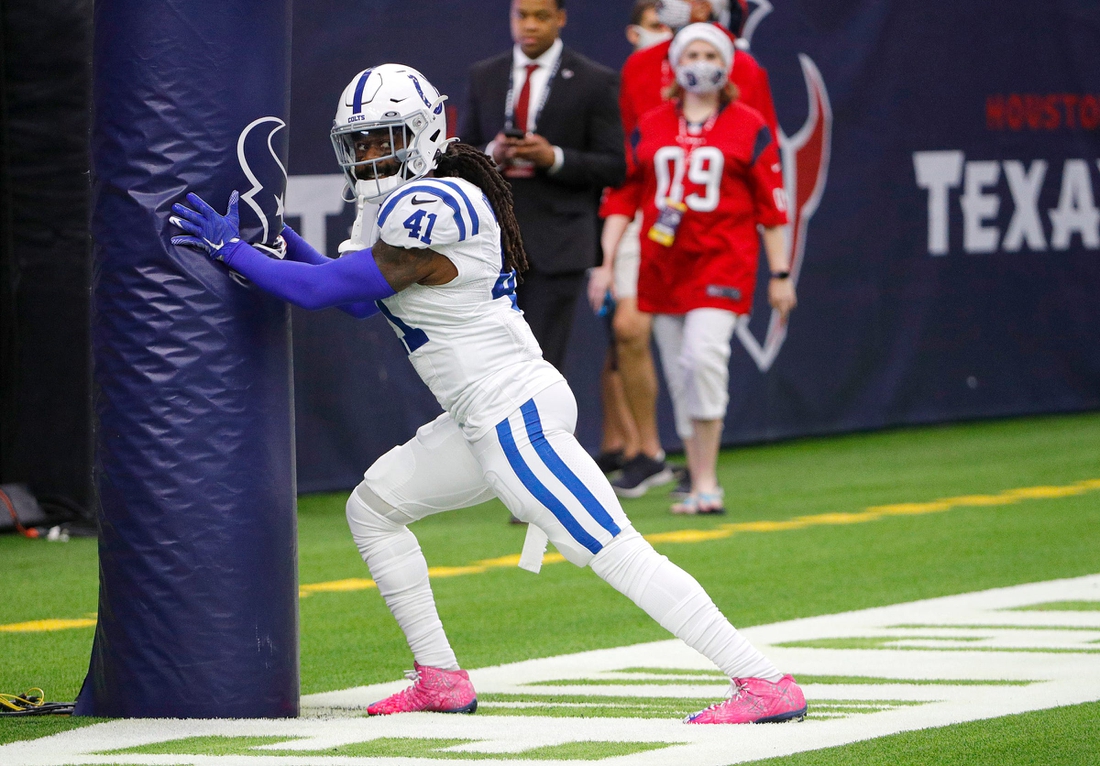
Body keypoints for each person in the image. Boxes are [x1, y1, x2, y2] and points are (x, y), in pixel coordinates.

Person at [170, 63, 805, 725]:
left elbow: (329, 291)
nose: (369, 154)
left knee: (615, 548)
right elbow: (355, 297)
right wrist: (280, 241)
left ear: (423, 132)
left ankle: (761, 680)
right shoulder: (389, 204)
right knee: (373, 508)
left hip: (513, 414)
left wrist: (234, 251)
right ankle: (439, 677)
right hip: (480, 417)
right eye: (358, 142)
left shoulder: (440, 202)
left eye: (383, 137)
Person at [599, 25, 796, 515]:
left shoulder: (748, 125)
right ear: (675, 62)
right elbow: (626, 194)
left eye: (711, 53)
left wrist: (781, 273)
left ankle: (707, 480)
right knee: (679, 370)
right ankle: (697, 475)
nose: (701, 61)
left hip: (723, 261)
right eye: (693, 52)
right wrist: (605, 262)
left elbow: (772, 208)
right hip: (662, 264)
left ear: (727, 64)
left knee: (702, 357)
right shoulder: (653, 122)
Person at [459, 0, 625, 372]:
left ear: (561, 19)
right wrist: (492, 153)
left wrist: (554, 158)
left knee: (542, 365)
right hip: (493, 246)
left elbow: (614, 166)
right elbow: (459, 154)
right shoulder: (484, 75)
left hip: (559, 244)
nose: (529, 25)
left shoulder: (595, 81)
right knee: (491, 365)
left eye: (541, 16)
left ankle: (544, 432)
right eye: (522, 15)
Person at [592, 0, 673, 478]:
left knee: (678, 344)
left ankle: (654, 451)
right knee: (622, 332)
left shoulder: (701, 79)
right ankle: (634, 447)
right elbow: (620, 162)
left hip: (683, 221)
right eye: (653, 25)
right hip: (625, 216)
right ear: (632, 33)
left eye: (669, 25)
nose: (663, 34)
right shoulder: (622, 84)